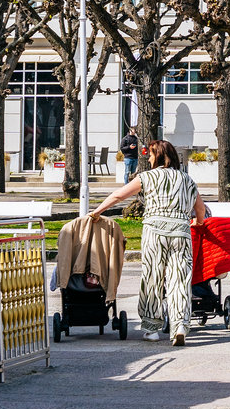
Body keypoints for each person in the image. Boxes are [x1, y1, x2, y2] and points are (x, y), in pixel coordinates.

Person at [88, 139, 207, 346]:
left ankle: (152, 329)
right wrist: (198, 222)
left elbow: (118, 195)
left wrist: (97, 212)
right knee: (179, 280)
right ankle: (179, 326)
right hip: (180, 232)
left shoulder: (146, 177)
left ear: (159, 156)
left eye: (151, 155)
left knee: (152, 277)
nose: (149, 158)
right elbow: (200, 208)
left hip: (155, 232)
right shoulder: (187, 179)